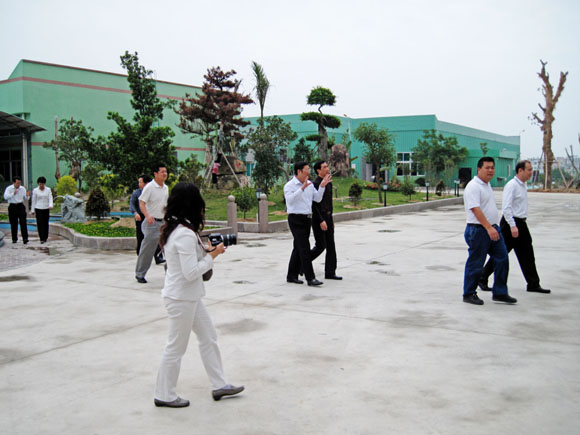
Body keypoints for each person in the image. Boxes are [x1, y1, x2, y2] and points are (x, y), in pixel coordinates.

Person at [154, 182, 244, 408]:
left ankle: (219, 384)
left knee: (208, 336)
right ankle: (164, 394)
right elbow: (190, 272)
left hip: (189, 297)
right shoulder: (184, 234)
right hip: (181, 298)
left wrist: (207, 251)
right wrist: (213, 256)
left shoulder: (179, 229)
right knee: (176, 347)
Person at [479, 160, 551, 294]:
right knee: (501, 253)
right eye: (529, 169)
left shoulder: (523, 185)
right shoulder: (512, 185)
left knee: (527, 254)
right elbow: (506, 208)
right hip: (510, 223)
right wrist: (512, 225)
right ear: (520, 170)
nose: (531, 172)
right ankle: (482, 277)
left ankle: (533, 283)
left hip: (521, 223)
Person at [462, 157, 517, 305]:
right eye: (487, 168)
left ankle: (500, 292)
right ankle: (469, 293)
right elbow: (475, 209)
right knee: (476, 262)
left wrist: (493, 227)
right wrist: (488, 227)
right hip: (479, 230)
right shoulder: (473, 186)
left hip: (492, 228)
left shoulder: (487, 185)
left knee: (502, 258)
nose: (490, 170)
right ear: (479, 169)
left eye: (492, 167)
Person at [284, 161, 331, 286]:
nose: (309, 172)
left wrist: (322, 186)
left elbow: (317, 199)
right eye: (307, 169)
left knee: (298, 247)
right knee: (304, 248)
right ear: (299, 171)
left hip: (307, 219)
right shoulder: (290, 185)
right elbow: (290, 200)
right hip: (295, 219)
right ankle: (310, 278)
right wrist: (302, 188)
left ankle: (291, 275)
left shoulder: (310, 184)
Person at [135, 164, 168, 284]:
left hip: (163, 222)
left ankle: (170, 273)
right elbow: (141, 203)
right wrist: (147, 215)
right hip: (152, 223)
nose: (165, 174)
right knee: (147, 250)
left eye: (166, 171)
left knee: (169, 247)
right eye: (162, 172)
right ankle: (140, 274)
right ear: (155, 174)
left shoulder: (166, 188)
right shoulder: (149, 187)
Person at [310, 160, 342, 280]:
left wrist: (330, 219)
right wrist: (321, 220)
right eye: (324, 167)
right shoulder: (315, 184)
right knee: (320, 246)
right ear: (318, 170)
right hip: (319, 218)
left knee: (331, 246)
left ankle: (330, 272)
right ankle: (302, 263)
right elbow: (314, 205)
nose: (327, 169)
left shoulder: (328, 182)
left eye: (327, 166)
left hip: (328, 217)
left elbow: (329, 203)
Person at [130, 175, 164, 263]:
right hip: (141, 218)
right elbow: (132, 205)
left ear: (146, 183)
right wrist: (135, 213)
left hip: (153, 218)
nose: (139, 184)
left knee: (156, 237)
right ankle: (141, 258)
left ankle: (158, 257)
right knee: (141, 238)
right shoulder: (136, 193)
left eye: (140, 182)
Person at [3, 176, 30, 244]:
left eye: (19, 183)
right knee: (13, 223)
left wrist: (27, 195)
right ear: (14, 182)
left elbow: (26, 198)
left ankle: (25, 238)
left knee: (23, 222)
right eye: (17, 183)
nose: (18, 185)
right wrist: (13, 194)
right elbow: (5, 197)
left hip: (20, 205)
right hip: (12, 206)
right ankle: (14, 238)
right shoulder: (9, 188)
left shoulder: (22, 188)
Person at [31, 176, 53, 244]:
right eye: (40, 184)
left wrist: (50, 205)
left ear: (44, 184)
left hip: (46, 208)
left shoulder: (48, 190)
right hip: (38, 208)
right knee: (40, 223)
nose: (41, 185)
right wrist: (32, 210)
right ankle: (41, 238)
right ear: (38, 184)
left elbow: (50, 198)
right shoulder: (35, 190)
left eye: (42, 184)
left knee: (45, 223)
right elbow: (34, 200)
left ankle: (45, 236)